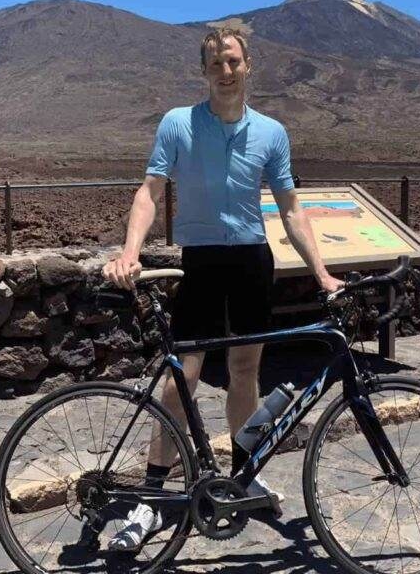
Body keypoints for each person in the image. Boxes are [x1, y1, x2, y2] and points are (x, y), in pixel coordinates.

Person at [102, 27, 344, 551]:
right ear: (204, 69)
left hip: (253, 262)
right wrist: (129, 251)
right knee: (182, 377)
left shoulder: (272, 133)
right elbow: (149, 193)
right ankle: (149, 497)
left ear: (248, 64)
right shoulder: (178, 124)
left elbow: (292, 209)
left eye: (232, 61)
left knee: (245, 370)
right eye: (215, 63)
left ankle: (242, 474)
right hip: (203, 263)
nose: (225, 70)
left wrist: (322, 273)